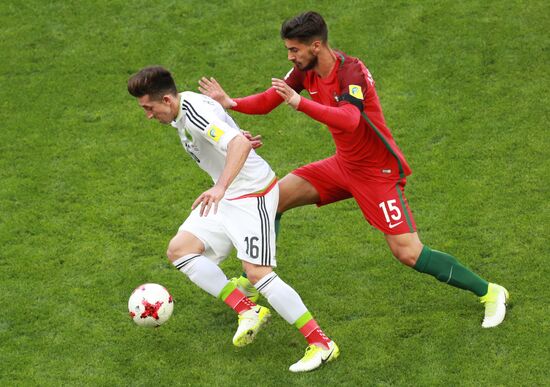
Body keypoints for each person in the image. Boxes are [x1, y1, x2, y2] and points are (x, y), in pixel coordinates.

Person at [198, 11, 509, 328]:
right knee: (271, 200)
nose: (290, 56)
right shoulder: (304, 70)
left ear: (315, 45)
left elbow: (350, 119)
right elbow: (267, 101)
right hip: (343, 165)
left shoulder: (352, 72)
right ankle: (254, 279)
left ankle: (490, 292)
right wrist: (230, 102)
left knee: (408, 252)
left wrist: (299, 103)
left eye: (294, 50)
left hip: (377, 173)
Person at [127, 66, 339, 372]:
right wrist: (236, 140)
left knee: (257, 272)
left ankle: (322, 344)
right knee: (180, 249)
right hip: (229, 196)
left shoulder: (193, 111)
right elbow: (228, 134)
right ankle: (247, 309)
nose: (148, 114)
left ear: (168, 101)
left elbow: (234, 143)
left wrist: (221, 183)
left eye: (149, 107)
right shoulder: (181, 111)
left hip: (251, 194)